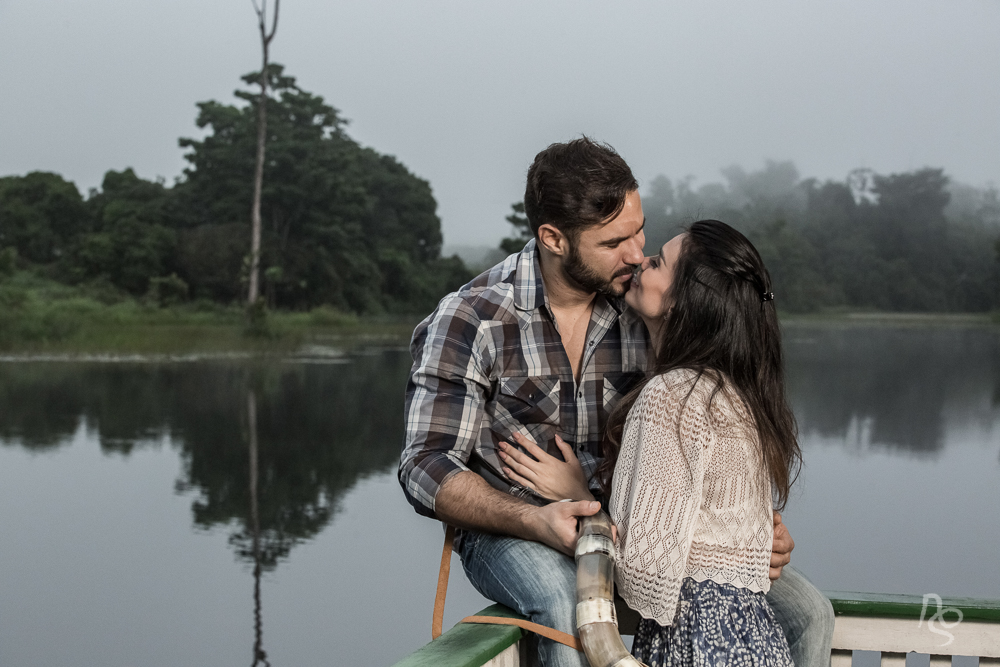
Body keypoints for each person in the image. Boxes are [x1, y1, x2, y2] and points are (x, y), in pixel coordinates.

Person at [399, 138, 834, 667]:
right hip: (515, 528)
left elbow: (703, 428)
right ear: (553, 238)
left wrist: (746, 524)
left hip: (641, 534)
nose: (635, 254)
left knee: (809, 613)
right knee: (565, 599)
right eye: (613, 242)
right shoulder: (471, 319)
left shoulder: (646, 306)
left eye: (639, 230)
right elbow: (426, 466)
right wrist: (534, 520)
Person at [512, 220, 800, 665]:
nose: (641, 261)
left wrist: (576, 496)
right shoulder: (738, 396)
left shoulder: (673, 397)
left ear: (684, 299)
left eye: (659, 262)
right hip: (755, 640)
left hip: (698, 642)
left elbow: (643, 575)